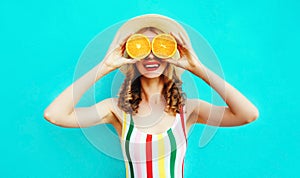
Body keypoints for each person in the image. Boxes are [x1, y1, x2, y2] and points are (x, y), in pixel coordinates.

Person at [44, 14, 259, 178]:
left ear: (171, 55)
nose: (150, 55)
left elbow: (248, 114)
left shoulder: (189, 110)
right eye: (141, 48)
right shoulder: (116, 110)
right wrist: (104, 66)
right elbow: (55, 115)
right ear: (131, 57)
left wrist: (198, 67)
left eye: (159, 47)